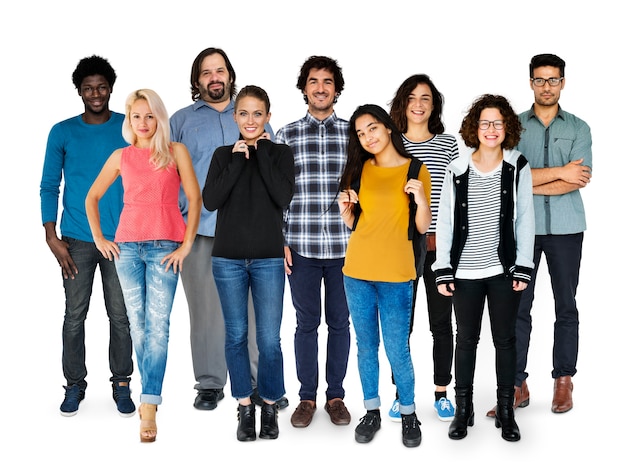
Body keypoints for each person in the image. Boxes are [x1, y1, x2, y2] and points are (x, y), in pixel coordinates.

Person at [170, 47, 288, 411]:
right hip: (199, 230)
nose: (214, 77)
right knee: (206, 311)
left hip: (253, 233)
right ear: (197, 81)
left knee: (257, 313)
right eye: (206, 73)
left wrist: (280, 236)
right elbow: (169, 174)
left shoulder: (254, 117)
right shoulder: (181, 121)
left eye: (220, 70)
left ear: (230, 75)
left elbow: (274, 186)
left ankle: (257, 383)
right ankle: (209, 382)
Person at [85, 89, 201, 443]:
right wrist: (100, 239)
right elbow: (91, 196)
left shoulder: (175, 152)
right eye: (137, 116)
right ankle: (150, 398)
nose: (144, 123)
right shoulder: (121, 156)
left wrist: (187, 244)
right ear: (129, 119)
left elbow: (195, 199)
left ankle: (148, 403)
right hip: (128, 250)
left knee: (158, 326)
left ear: (159, 118)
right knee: (138, 325)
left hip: (166, 247)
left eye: (150, 116)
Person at [485, 54, 592, 417]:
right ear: (530, 82)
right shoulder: (512, 126)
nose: (547, 86)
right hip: (522, 232)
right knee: (517, 308)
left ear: (563, 82)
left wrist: (529, 181)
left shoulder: (579, 128)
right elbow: (505, 177)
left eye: (553, 80)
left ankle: (564, 381)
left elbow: (576, 179)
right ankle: (515, 383)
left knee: (566, 306)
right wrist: (559, 173)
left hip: (567, 229)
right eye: (540, 80)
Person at [433, 94, 534, 442]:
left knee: (505, 341)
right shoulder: (457, 168)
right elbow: (445, 222)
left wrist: (523, 266)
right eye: (484, 122)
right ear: (474, 128)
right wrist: (442, 268)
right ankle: (464, 410)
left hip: (503, 270)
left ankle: (506, 410)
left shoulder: (517, 165)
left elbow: (525, 220)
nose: (491, 129)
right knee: (467, 341)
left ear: (507, 127)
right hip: (465, 272)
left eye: (498, 122)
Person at [40, 55, 135, 418]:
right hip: (77, 240)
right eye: (88, 88)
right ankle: (75, 384)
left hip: (122, 239)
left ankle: (122, 382)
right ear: (79, 91)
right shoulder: (62, 131)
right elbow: (49, 185)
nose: (95, 93)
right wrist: (51, 235)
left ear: (110, 88)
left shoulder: (129, 127)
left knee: (121, 316)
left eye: (101, 86)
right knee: (74, 315)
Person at [203, 85, 294, 441]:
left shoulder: (281, 154)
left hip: (269, 258)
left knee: (269, 339)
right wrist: (239, 159)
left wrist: (261, 154)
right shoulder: (223, 155)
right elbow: (212, 200)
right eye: (244, 113)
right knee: (237, 335)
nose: (251, 120)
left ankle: (269, 404)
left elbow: (283, 196)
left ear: (268, 117)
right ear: (234, 116)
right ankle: (244, 406)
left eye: (258, 114)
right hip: (227, 258)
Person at [338, 104, 432, 448]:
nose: (367, 138)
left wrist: (421, 199)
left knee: (398, 349)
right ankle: (371, 411)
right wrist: (344, 210)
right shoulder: (359, 170)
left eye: (372, 128)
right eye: (360, 134)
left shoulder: (416, 169)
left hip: (397, 274)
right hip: (357, 272)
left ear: (389, 127)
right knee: (366, 347)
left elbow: (422, 227)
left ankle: (409, 413)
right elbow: (356, 225)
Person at [275, 55, 352, 429]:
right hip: (300, 247)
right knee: (306, 325)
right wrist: (280, 240)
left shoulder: (356, 133)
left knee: (340, 324)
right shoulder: (286, 135)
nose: (320, 88)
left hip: (346, 249)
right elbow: (274, 193)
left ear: (336, 88)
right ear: (304, 88)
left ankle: (335, 396)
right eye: (313, 81)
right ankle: (306, 397)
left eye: (327, 82)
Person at [388, 74, 459, 422]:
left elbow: (459, 197)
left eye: (426, 98)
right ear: (403, 103)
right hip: (400, 246)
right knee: (400, 325)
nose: (419, 104)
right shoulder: (390, 143)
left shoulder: (447, 145)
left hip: (439, 247)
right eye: (412, 97)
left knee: (441, 323)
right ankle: (401, 392)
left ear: (434, 105)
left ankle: (441, 391)